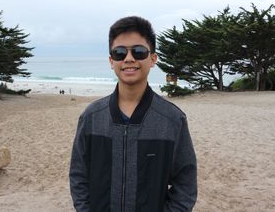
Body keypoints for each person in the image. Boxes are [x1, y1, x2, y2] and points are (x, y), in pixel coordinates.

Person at [69, 16, 197, 211]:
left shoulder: (172, 119)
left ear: (153, 58)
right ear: (112, 61)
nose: (129, 59)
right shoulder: (92, 117)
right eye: (120, 53)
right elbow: (79, 175)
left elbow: (185, 183)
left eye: (138, 51)